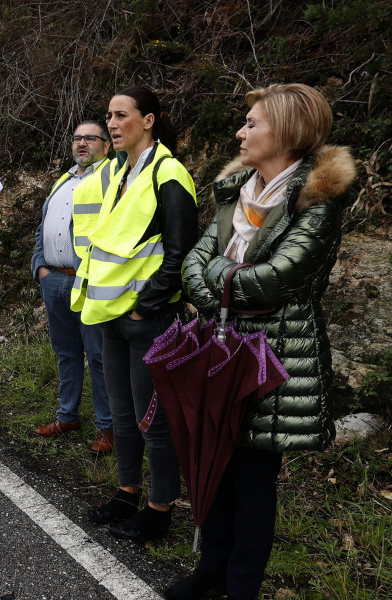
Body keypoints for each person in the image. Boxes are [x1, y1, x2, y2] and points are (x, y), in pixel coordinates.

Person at [170, 84, 354, 600]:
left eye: (252, 124)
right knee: (218, 462)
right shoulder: (235, 191)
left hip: (277, 354)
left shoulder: (316, 201)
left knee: (254, 478)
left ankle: (242, 584)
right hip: (224, 345)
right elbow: (192, 265)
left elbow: (276, 279)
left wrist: (218, 279)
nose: (240, 132)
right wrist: (224, 286)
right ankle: (213, 568)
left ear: (289, 130)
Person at [76, 88, 198, 540]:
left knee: (153, 420)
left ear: (148, 120)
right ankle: (127, 493)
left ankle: (159, 508)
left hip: (148, 321)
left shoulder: (169, 172)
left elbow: (181, 250)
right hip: (112, 317)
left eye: (120, 115)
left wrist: (149, 305)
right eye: (107, 115)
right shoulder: (121, 172)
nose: (111, 123)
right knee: (123, 416)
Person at [30, 121, 114, 453]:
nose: (81, 143)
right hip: (54, 280)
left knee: (98, 356)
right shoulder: (63, 181)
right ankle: (68, 416)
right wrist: (40, 266)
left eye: (90, 138)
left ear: (106, 146)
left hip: (89, 282)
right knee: (66, 353)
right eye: (77, 138)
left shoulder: (110, 179)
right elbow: (44, 226)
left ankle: (107, 427)